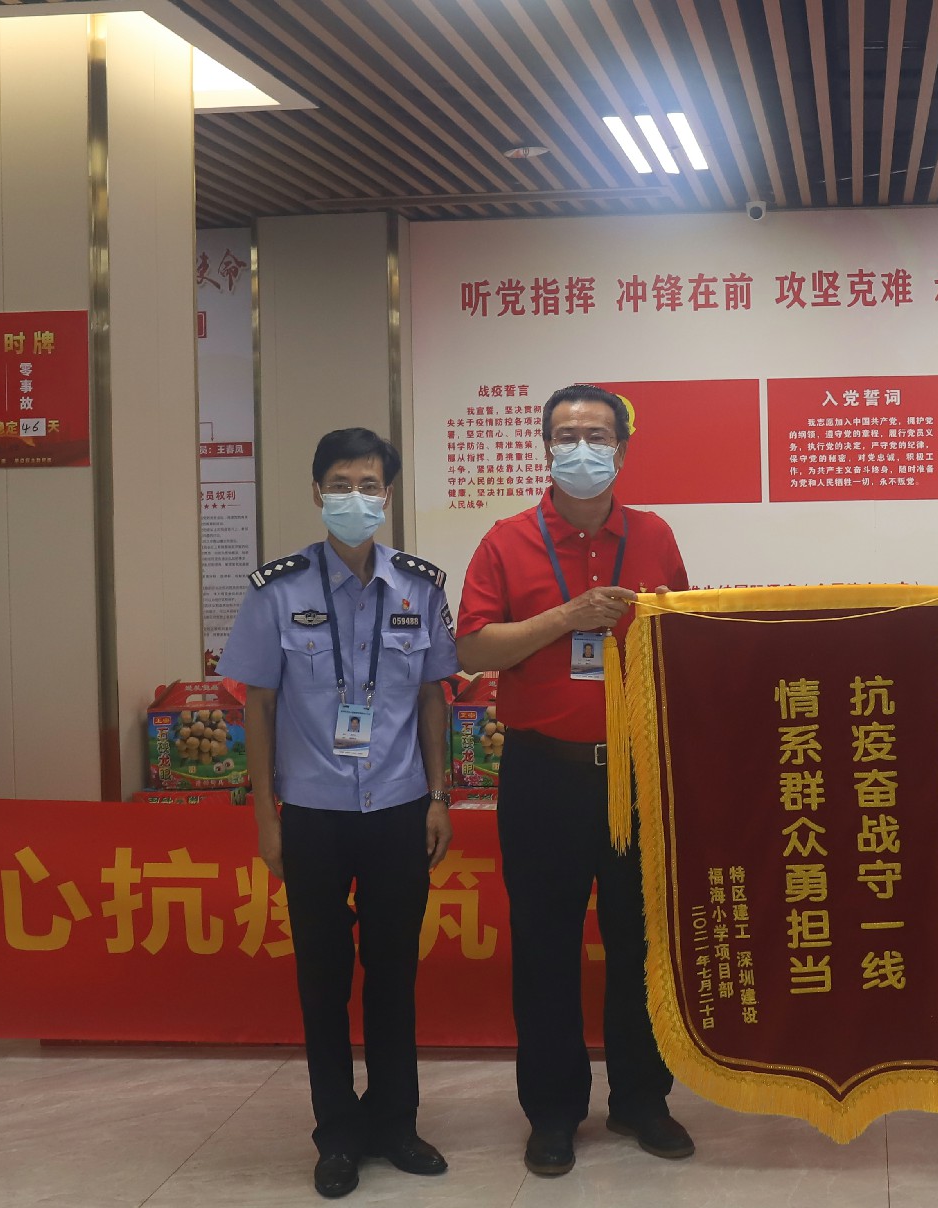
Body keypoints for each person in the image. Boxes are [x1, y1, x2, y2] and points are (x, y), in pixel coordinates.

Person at [456, 384, 694, 1178]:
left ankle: (642, 1100)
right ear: (546, 448)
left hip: (635, 774)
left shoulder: (654, 536)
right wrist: (567, 616)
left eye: (596, 435)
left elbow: (684, 639)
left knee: (640, 943)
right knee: (545, 947)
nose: (581, 448)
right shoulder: (507, 541)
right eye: (566, 435)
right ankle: (554, 1112)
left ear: (622, 449)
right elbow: (473, 649)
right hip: (543, 775)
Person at [217, 427, 458, 1200]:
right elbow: (257, 706)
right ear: (317, 491)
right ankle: (337, 1134)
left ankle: (396, 1122)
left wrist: (440, 797)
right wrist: (266, 818)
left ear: (388, 495)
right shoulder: (277, 590)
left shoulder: (420, 587)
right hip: (314, 815)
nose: (357, 498)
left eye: (370, 485)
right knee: (322, 982)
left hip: (399, 810)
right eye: (342, 484)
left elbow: (434, 697)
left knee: (394, 975)